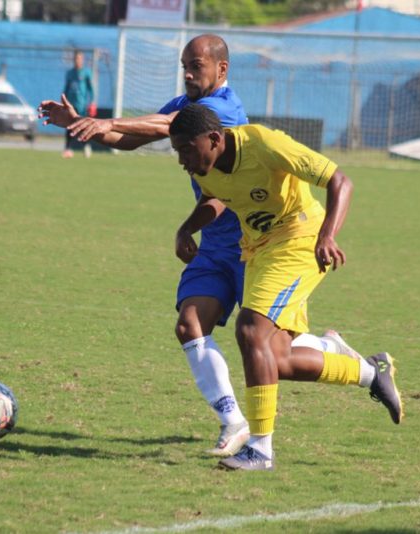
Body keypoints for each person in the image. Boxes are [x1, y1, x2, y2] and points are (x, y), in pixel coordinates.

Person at [40, 35, 363, 458]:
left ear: (221, 71)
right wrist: (83, 124)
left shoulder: (223, 112)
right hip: (216, 241)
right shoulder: (186, 109)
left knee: (274, 352)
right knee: (189, 325)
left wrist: (109, 121)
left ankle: (331, 355)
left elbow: (161, 126)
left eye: (197, 66)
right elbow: (140, 138)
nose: (189, 74)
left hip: (259, 243)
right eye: (184, 66)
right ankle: (234, 421)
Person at [168, 103, 404, 471]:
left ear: (214, 139)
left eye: (185, 149)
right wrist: (187, 227)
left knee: (250, 330)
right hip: (259, 252)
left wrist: (328, 235)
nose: (181, 160)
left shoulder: (264, 144)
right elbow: (216, 197)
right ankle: (371, 373)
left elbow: (340, 180)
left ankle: (260, 450)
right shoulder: (206, 167)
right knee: (275, 359)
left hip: (301, 241)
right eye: (176, 151)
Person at [62, 50, 95, 159]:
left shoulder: (86, 72)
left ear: (82, 60)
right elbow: (66, 89)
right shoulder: (70, 73)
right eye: (76, 58)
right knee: (69, 126)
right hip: (71, 104)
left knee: (82, 127)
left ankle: (86, 147)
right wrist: (64, 100)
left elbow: (90, 89)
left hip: (83, 105)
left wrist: (92, 102)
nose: (77, 61)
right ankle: (67, 149)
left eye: (80, 58)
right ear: (73, 60)